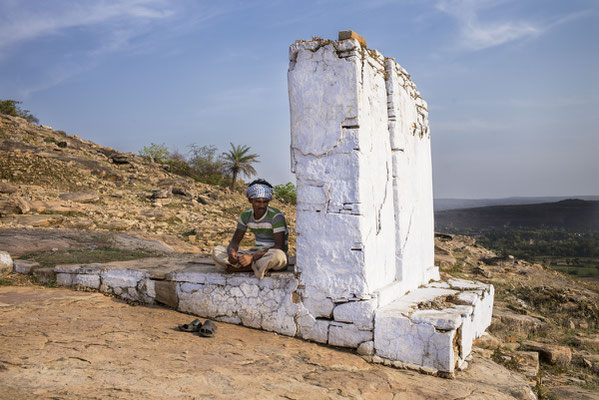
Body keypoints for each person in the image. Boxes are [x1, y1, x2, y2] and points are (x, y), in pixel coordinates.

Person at [212, 179, 288, 279]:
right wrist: (232, 253)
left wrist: (252, 257)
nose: (262, 206)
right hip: (255, 254)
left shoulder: (276, 216)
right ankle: (255, 267)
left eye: (265, 202)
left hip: (269, 254)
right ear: (250, 200)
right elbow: (234, 242)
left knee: (279, 256)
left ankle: (243, 267)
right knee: (217, 251)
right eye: (258, 202)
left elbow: (279, 247)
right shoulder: (245, 215)